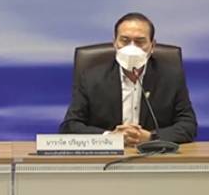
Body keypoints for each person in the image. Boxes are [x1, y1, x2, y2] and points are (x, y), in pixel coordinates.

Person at [59, 12, 197, 146]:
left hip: (153, 154)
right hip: (108, 156)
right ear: (114, 43)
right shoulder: (91, 78)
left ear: (152, 46)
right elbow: (70, 126)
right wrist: (110, 137)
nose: (132, 48)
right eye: (124, 41)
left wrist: (151, 137)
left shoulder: (171, 77)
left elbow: (188, 126)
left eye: (139, 42)